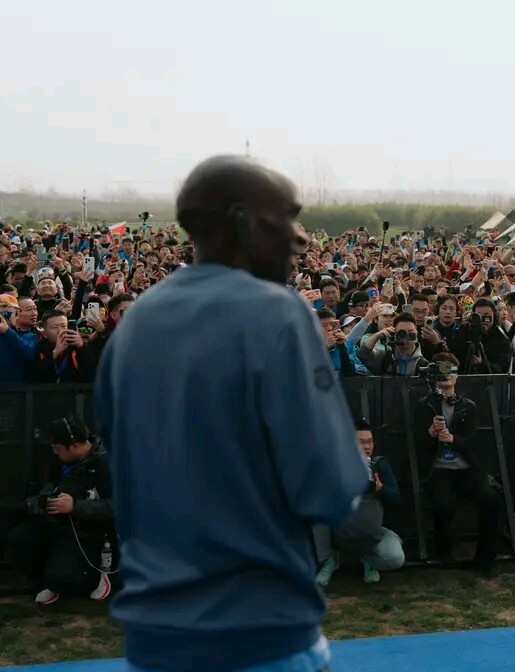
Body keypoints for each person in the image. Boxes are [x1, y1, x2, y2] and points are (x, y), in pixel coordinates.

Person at [94, 155, 368, 672]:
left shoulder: (135, 323)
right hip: (259, 632)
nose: (301, 239)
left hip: (153, 637)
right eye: (287, 217)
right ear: (242, 220)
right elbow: (332, 488)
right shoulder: (279, 312)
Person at [7, 415, 114, 605]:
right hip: (61, 525)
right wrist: (46, 498)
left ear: (74, 446)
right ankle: (47, 584)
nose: (55, 453)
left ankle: (97, 575)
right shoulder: (62, 461)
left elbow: (118, 507)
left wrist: (76, 506)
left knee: (64, 575)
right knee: (20, 538)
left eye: (57, 448)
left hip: (91, 533)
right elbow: (52, 482)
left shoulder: (107, 464)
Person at [412, 352, 498, 576]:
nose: (447, 375)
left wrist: (453, 439)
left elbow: (475, 443)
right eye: (442, 370)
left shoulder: (468, 406)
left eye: (451, 370)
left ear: (457, 376)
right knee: (442, 503)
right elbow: (417, 444)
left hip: (466, 468)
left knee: (490, 498)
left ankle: (486, 557)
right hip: (439, 469)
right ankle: (444, 553)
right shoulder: (425, 405)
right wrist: (431, 433)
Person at [314, 419, 404, 587]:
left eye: (370, 442)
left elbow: (397, 497)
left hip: (370, 533)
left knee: (395, 558)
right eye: (361, 442)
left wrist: (380, 488)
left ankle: (368, 560)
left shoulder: (379, 465)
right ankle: (329, 559)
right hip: (340, 531)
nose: (367, 447)